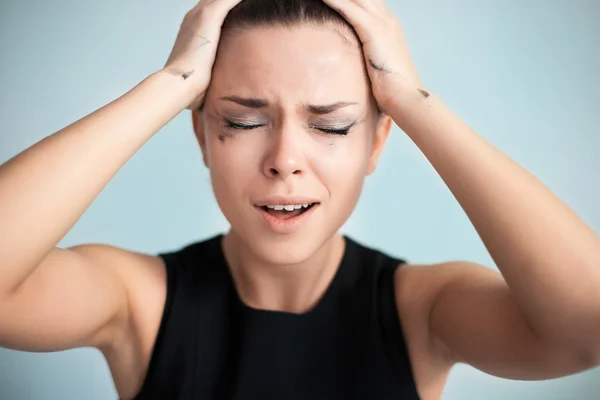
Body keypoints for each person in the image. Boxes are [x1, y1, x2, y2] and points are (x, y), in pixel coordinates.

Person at [0, 0, 598, 398]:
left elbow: (587, 327)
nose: (285, 158)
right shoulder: (138, 302)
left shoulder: (423, 311)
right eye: (242, 119)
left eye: (332, 126)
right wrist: (171, 85)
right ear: (202, 135)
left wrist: (412, 100)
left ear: (375, 142)